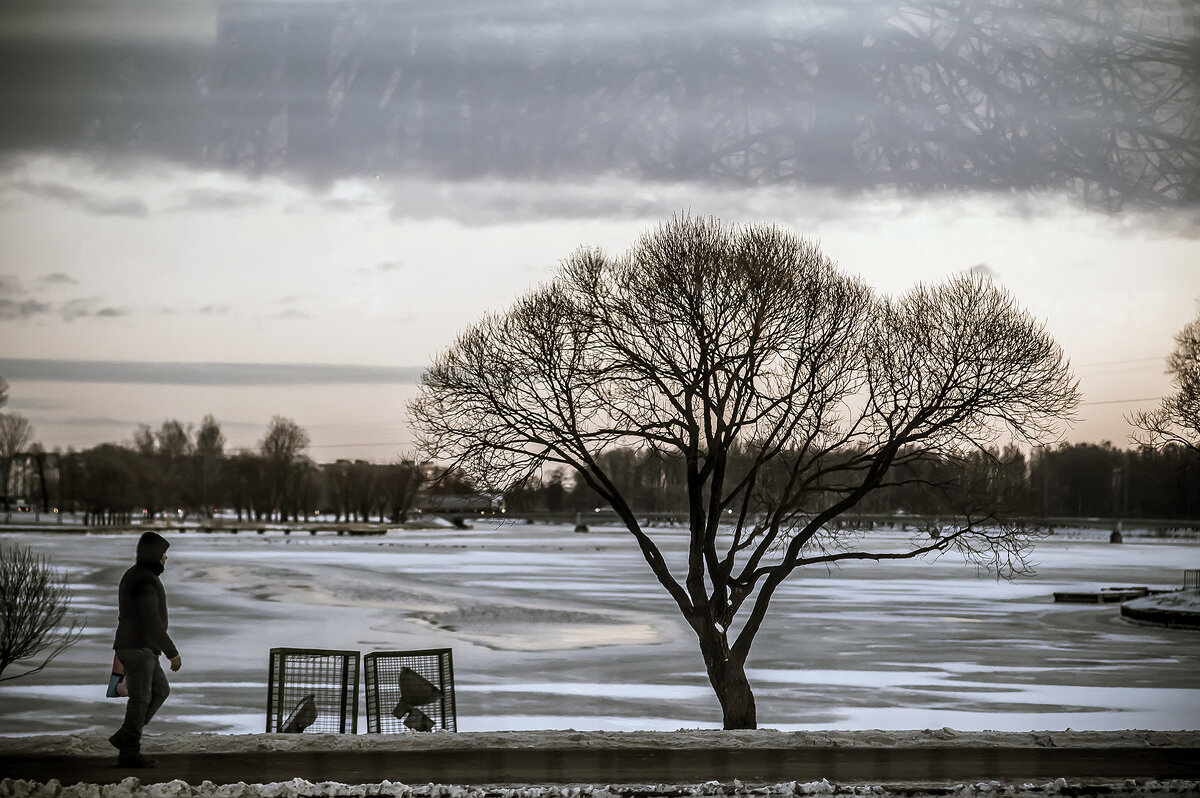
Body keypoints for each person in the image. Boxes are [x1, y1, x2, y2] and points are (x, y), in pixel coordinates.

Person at [109, 531, 182, 768]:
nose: (166, 558)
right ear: (154, 555)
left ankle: (124, 737)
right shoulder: (143, 580)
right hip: (138, 648)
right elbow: (152, 621)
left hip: (143, 648)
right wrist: (172, 652)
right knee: (140, 699)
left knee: (160, 690)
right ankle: (129, 752)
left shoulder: (140, 575)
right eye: (163, 553)